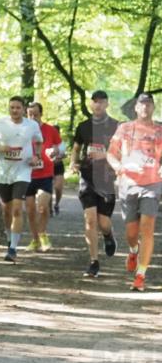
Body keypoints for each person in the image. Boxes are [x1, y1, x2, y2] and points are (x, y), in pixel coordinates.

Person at [107, 92, 162, 291]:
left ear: (153, 107)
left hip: (152, 184)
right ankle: (133, 250)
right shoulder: (125, 128)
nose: (145, 107)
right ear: (136, 108)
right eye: (142, 104)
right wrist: (118, 167)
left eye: (149, 104)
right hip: (128, 184)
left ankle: (141, 275)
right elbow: (111, 153)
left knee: (147, 228)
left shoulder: (159, 130)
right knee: (131, 233)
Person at [0, 96, 43, 263]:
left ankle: (13, 249)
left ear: (23, 109)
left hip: (23, 171)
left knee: (17, 209)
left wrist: (36, 156)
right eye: (12, 107)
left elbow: (39, 142)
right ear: (8, 108)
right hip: (4, 172)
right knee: (6, 210)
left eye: (18, 107)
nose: (15, 110)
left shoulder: (31, 125)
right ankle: (9, 238)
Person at [70, 90, 119, 278]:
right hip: (87, 177)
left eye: (101, 102)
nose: (97, 105)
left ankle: (108, 235)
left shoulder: (116, 126)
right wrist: (73, 162)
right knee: (90, 220)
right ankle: (93, 262)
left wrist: (104, 155)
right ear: (91, 104)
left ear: (107, 104)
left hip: (106, 178)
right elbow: (76, 149)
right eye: (95, 101)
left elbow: (122, 152)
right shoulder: (83, 126)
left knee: (103, 222)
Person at [24, 103, 62, 252]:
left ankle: (42, 234)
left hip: (45, 174)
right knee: (30, 210)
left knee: (42, 206)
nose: (33, 117)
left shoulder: (50, 130)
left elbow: (60, 147)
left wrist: (55, 151)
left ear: (41, 114)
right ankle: (35, 240)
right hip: (27, 175)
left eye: (36, 114)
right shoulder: (22, 131)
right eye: (30, 114)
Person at [52, 126, 66, 215]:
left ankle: (56, 204)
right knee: (47, 188)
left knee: (58, 187)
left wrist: (61, 156)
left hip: (58, 166)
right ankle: (48, 208)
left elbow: (64, 154)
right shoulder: (46, 140)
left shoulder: (61, 143)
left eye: (56, 132)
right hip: (48, 166)